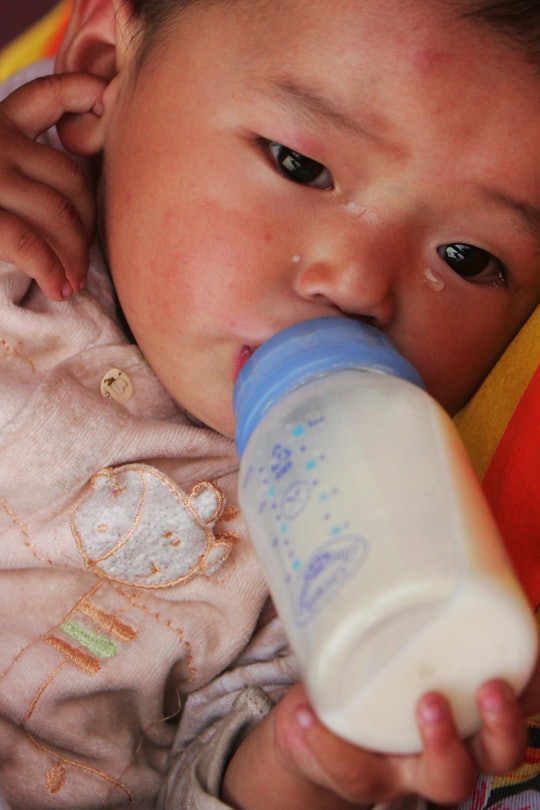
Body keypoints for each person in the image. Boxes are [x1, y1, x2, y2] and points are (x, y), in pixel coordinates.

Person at [0, 0, 539, 808]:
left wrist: (308, 765)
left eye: (467, 257)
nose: (357, 282)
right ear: (104, 75)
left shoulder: (366, 554)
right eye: (297, 163)